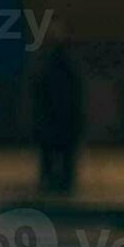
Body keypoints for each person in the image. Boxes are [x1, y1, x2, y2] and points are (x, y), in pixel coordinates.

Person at [33, 41, 83, 193]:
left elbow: (39, 97)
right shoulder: (70, 74)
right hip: (66, 122)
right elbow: (76, 98)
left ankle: (49, 181)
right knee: (66, 156)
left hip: (51, 121)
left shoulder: (47, 74)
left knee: (49, 155)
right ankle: (65, 183)